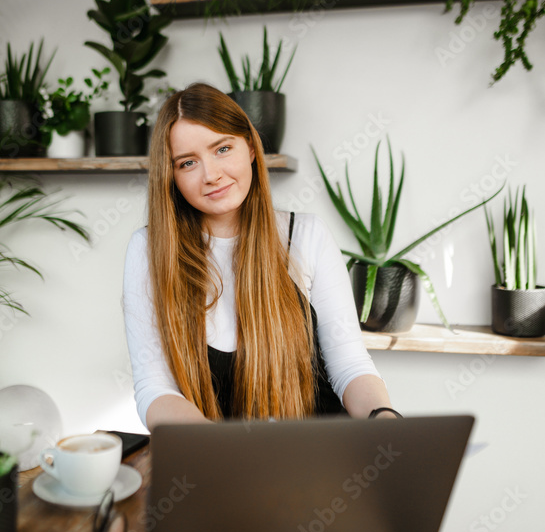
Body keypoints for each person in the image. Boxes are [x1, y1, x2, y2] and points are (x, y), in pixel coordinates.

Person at [123, 82, 401, 429]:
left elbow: (350, 365)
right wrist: (213, 448)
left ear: (251, 148)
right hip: (215, 463)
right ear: (172, 176)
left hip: (320, 460)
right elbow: (154, 387)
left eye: (222, 149)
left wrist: (384, 417)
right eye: (188, 162)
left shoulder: (306, 235)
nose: (211, 175)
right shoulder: (148, 250)